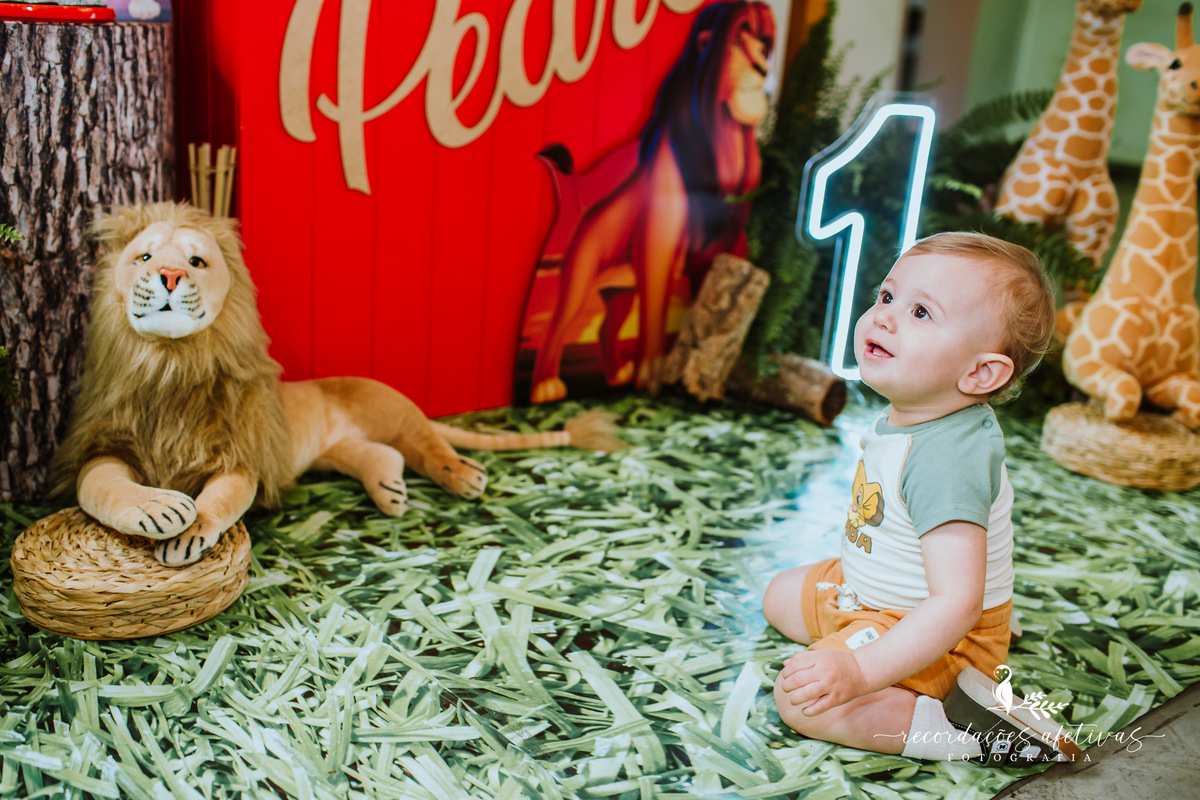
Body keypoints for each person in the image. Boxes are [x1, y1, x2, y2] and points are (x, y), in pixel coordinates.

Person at [762, 232, 1081, 765]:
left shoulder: (946, 461)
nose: (884, 317)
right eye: (888, 297)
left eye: (921, 313)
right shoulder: (922, 408)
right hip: (870, 595)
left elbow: (956, 603)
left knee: (804, 704)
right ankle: (875, 641)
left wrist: (860, 671)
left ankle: (965, 730)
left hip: (939, 631)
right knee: (779, 595)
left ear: (980, 373)